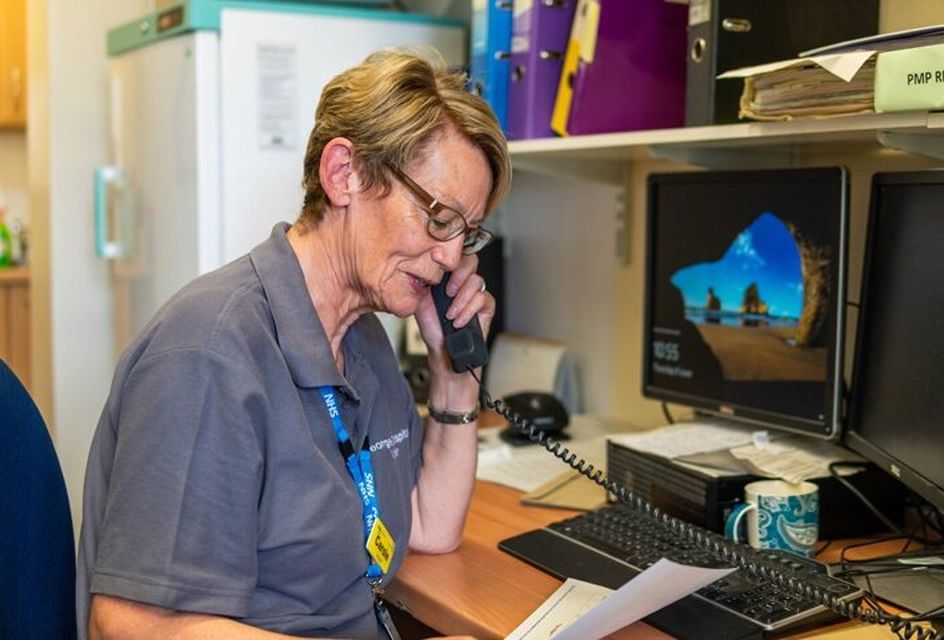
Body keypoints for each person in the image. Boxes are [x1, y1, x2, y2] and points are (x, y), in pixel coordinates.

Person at [77, 48, 511, 640]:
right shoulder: (208, 355)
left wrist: (454, 375)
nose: (451, 256)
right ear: (344, 174)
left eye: (468, 233)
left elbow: (428, 526)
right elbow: (132, 626)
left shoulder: (364, 337)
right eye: (439, 217)